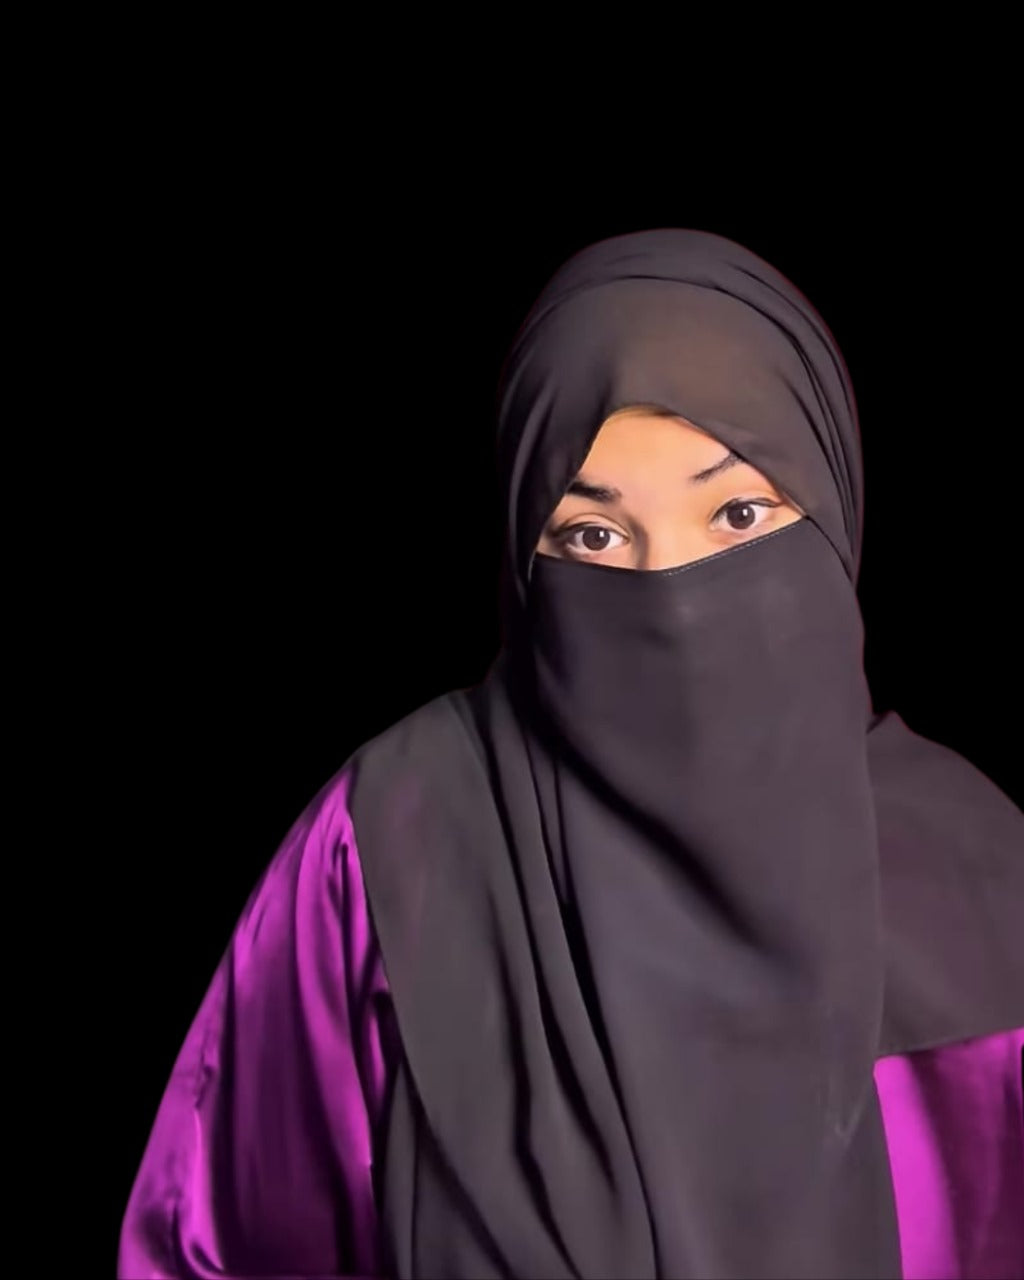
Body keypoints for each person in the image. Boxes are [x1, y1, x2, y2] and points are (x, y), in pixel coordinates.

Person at [118, 229, 1024, 1280]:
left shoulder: (981, 880)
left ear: (834, 514)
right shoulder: (384, 853)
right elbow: (215, 1250)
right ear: (523, 562)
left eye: (738, 513)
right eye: (593, 536)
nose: (671, 593)